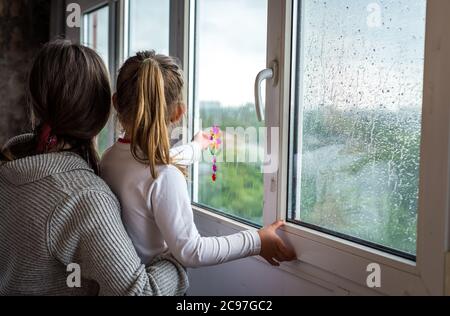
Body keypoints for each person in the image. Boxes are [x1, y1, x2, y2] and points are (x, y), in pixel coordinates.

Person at [0, 40, 188, 296]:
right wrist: (180, 255)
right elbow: (142, 293)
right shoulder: (85, 197)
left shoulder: (12, 158)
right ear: (103, 109)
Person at [100, 51, 297, 269]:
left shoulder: (108, 159)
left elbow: (147, 164)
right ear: (178, 113)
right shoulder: (164, 176)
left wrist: (196, 147)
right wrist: (257, 241)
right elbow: (192, 252)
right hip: (157, 286)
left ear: (116, 103)